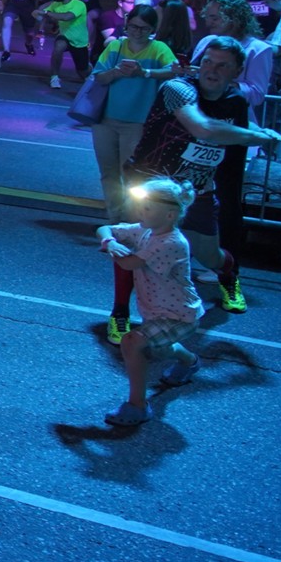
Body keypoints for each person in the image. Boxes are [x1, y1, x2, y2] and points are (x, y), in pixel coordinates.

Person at [121, 36, 280, 331]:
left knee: (210, 256)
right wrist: (259, 137)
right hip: (152, 186)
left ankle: (229, 278)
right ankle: (119, 316)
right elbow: (203, 128)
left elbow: (233, 141)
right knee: (133, 250)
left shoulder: (236, 102)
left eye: (222, 65)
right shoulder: (177, 88)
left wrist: (253, 135)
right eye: (207, 61)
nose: (212, 70)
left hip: (197, 192)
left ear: (236, 71)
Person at [95, 178, 204, 427]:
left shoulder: (171, 243)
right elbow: (105, 229)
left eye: (146, 209)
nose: (140, 213)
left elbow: (129, 263)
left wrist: (114, 250)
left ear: (169, 214)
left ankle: (137, 406)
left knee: (132, 342)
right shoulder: (146, 230)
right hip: (157, 311)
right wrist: (109, 241)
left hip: (179, 314)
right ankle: (191, 362)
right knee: (161, 348)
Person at [85, 4, 177, 220]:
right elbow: (98, 76)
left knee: (132, 176)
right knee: (108, 173)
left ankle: (133, 220)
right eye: (134, 26)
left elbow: (174, 72)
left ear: (152, 29)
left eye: (144, 28)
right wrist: (116, 72)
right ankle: (116, 218)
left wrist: (145, 72)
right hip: (105, 120)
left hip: (137, 122)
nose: (137, 32)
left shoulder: (159, 49)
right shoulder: (116, 46)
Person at [40, 0, 91, 89]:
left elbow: (67, 17)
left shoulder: (79, 4)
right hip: (64, 36)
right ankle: (54, 77)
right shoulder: (55, 5)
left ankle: (89, 69)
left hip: (79, 41)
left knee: (83, 71)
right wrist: (41, 12)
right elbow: (40, 12)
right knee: (58, 46)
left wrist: (47, 13)